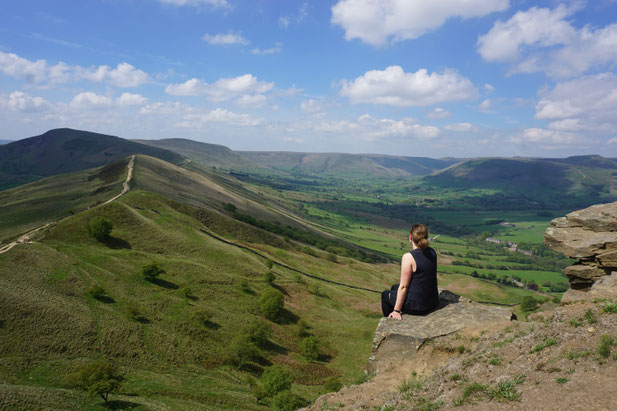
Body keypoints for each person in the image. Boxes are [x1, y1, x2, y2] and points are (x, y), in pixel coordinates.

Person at [381, 223, 439, 320]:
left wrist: (396, 310)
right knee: (394, 287)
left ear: (410, 238)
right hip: (432, 301)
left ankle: (390, 319)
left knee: (385, 294)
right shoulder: (432, 252)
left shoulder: (408, 257)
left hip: (418, 306)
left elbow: (404, 287)